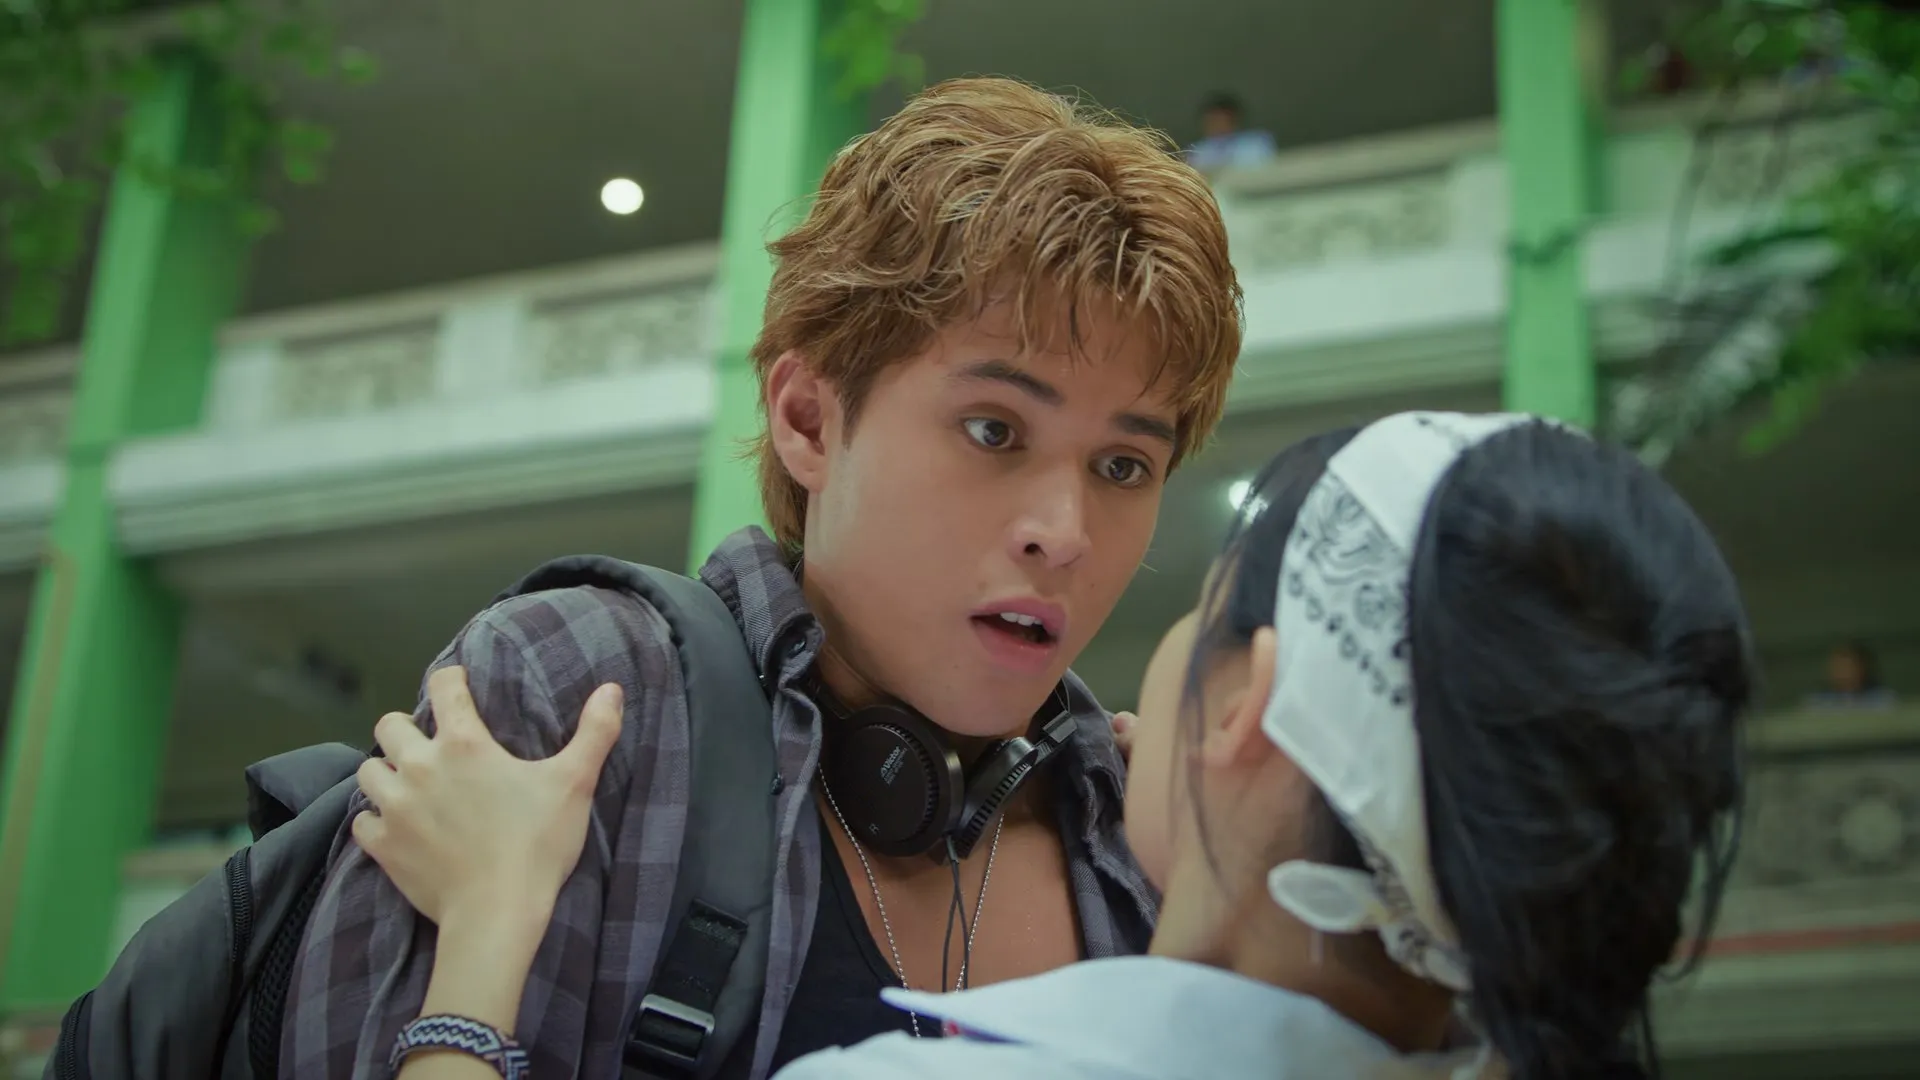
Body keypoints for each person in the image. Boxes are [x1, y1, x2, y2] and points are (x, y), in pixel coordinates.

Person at [280, 76, 1242, 1080]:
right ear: (808, 421)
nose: (1065, 533)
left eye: (1122, 467)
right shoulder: (584, 700)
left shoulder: (1150, 839)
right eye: (995, 430)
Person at [1184, 92, 1277, 176]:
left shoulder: (1256, 143)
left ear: (1233, 119)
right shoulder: (1195, 151)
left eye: (1220, 119)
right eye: (1211, 119)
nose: (1216, 124)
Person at [1805, 639, 1897, 709]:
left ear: (1861, 667)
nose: (1842, 672)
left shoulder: (1883, 700)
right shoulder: (1817, 704)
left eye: (1848, 665)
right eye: (1838, 666)